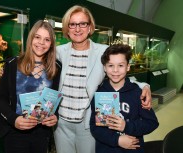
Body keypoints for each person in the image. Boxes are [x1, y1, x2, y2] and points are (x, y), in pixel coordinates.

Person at [54, 5, 152, 153]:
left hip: (87, 124)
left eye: (83, 24)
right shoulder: (58, 52)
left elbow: (119, 73)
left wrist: (145, 86)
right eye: (72, 24)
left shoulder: (102, 51)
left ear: (90, 27)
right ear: (67, 28)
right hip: (61, 124)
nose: (77, 29)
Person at [0, 20, 61, 153]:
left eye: (47, 39)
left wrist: (54, 116)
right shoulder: (13, 64)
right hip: (15, 132)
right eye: (37, 37)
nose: (41, 43)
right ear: (31, 38)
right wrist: (14, 119)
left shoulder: (56, 67)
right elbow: (0, 98)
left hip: (42, 133)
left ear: (51, 44)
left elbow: (54, 99)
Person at [90, 43, 159, 153]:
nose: (115, 70)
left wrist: (127, 126)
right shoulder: (100, 93)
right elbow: (95, 127)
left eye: (120, 65)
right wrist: (117, 140)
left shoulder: (138, 93)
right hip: (106, 149)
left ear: (128, 67)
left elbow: (151, 123)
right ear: (104, 67)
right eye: (110, 65)